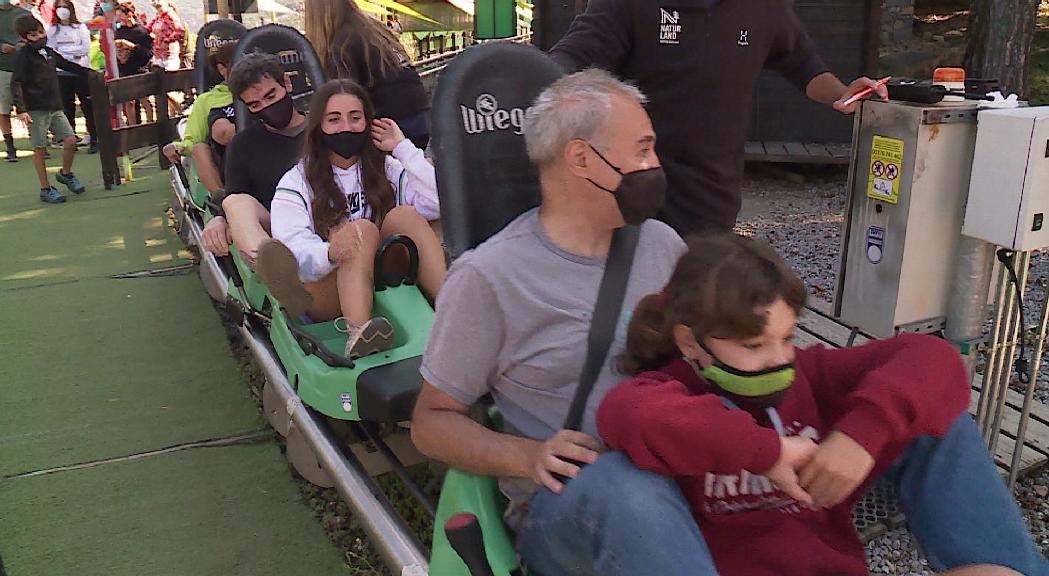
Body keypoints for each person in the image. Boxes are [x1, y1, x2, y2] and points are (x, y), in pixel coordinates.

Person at [583, 233, 1049, 576]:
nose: (778, 360)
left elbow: (934, 360)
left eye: (787, 337)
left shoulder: (810, 374)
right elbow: (629, 414)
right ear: (692, 341)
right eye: (752, 346)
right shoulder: (669, 391)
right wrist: (768, 453)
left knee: (933, 418)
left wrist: (859, 436)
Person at [410, 68, 685, 534]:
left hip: (673, 478)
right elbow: (430, 423)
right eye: (643, 149)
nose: (656, 163)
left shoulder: (662, 244)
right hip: (571, 506)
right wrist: (530, 455)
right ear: (581, 158)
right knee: (638, 504)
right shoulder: (489, 278)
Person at [549, 0, 889, 236]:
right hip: (629, 187)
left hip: (711, 194)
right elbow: (572, 57)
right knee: (632, 318)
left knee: (694, 316)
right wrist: (519, 76)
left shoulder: (764, 8)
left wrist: (842, 93)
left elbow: (805, 66)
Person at [261, 78, 443, 358]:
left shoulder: (387, 167)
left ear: (368, 123)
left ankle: (453, 309)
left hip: (383, 276)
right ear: (319, 126)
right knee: (362, 231)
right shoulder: (296, 180)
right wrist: (330, 252)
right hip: (326, 289)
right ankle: (359, 333)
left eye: (355, 118)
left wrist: (402, 147)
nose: (345, 127)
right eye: (334, 119)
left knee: (405, 215)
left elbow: (438, 203)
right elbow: (290, 246)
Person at [201, 53, 305, 271]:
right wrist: (221, 219)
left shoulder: (325, 127)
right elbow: (235, 197)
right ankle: (276, 272)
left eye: (271, 95)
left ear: (286, 83)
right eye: (256, 104)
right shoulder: (243, 145)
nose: (267, 107)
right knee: (235, 204)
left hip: (327, 215)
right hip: (278, 229)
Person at [305, 0, 429, 149]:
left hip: (392, 127)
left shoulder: (340, 44)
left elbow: (343, 97)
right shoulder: (372, 28)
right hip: (419, 116)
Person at [11, 13, 89, 203]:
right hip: (36, 108)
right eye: (33, 35)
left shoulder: (48, 51)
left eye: (40, 32)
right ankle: (45, 188)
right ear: (24, 38)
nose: (39, 37)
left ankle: (65, 173)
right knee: (39, 148)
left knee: (70, 140)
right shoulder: (23, 55)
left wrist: (90, 73)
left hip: (54, 105)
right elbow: (17, 82)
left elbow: (66, 64)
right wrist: (21, 109)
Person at [162, 41, 236, 194]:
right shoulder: (208, 100)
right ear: (222, 69)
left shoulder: (259, 91)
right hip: (227, 160)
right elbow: (193, 141)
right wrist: (178, 147)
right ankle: (221, 197)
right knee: (199, 148)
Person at [47, 0, 96, 153]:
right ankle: (70, 140)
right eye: (59, 7)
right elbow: (52, 51)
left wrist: (64, 50)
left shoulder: (80, 27)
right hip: (62, 74)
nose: (62, 10)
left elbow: (85, 48)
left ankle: (94, 138)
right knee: (67, 108)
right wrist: (65, 53)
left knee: (88, 106)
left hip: (81, 72)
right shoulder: (53, 30)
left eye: (65, 7)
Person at [0, 0, 30, 161]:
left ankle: (39, 143)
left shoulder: (23, 14)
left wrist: (21, 46)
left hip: (25, 68)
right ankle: (10, 147)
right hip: (3, 68)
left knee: (31, 106)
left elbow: (35, 35)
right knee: (4, 110)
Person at [113, 1, 151, 123]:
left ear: (129, 14)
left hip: (139, 69)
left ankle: (151, 125)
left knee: (145, 100)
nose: (119, 18)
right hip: (125, 69)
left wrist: (133, 47)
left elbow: (148, 53)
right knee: (128, 102)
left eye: (121, 15)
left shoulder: (142, 31)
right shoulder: (119, 31)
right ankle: (132, 127)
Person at [146, 0, 182, 71]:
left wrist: (167, 41)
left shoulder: (171, 16)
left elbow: (180, 31)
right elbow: (149, 29)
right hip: (158, 55)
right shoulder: (158, 18)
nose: (155, 3)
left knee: (169, 77)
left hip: (169, 55)